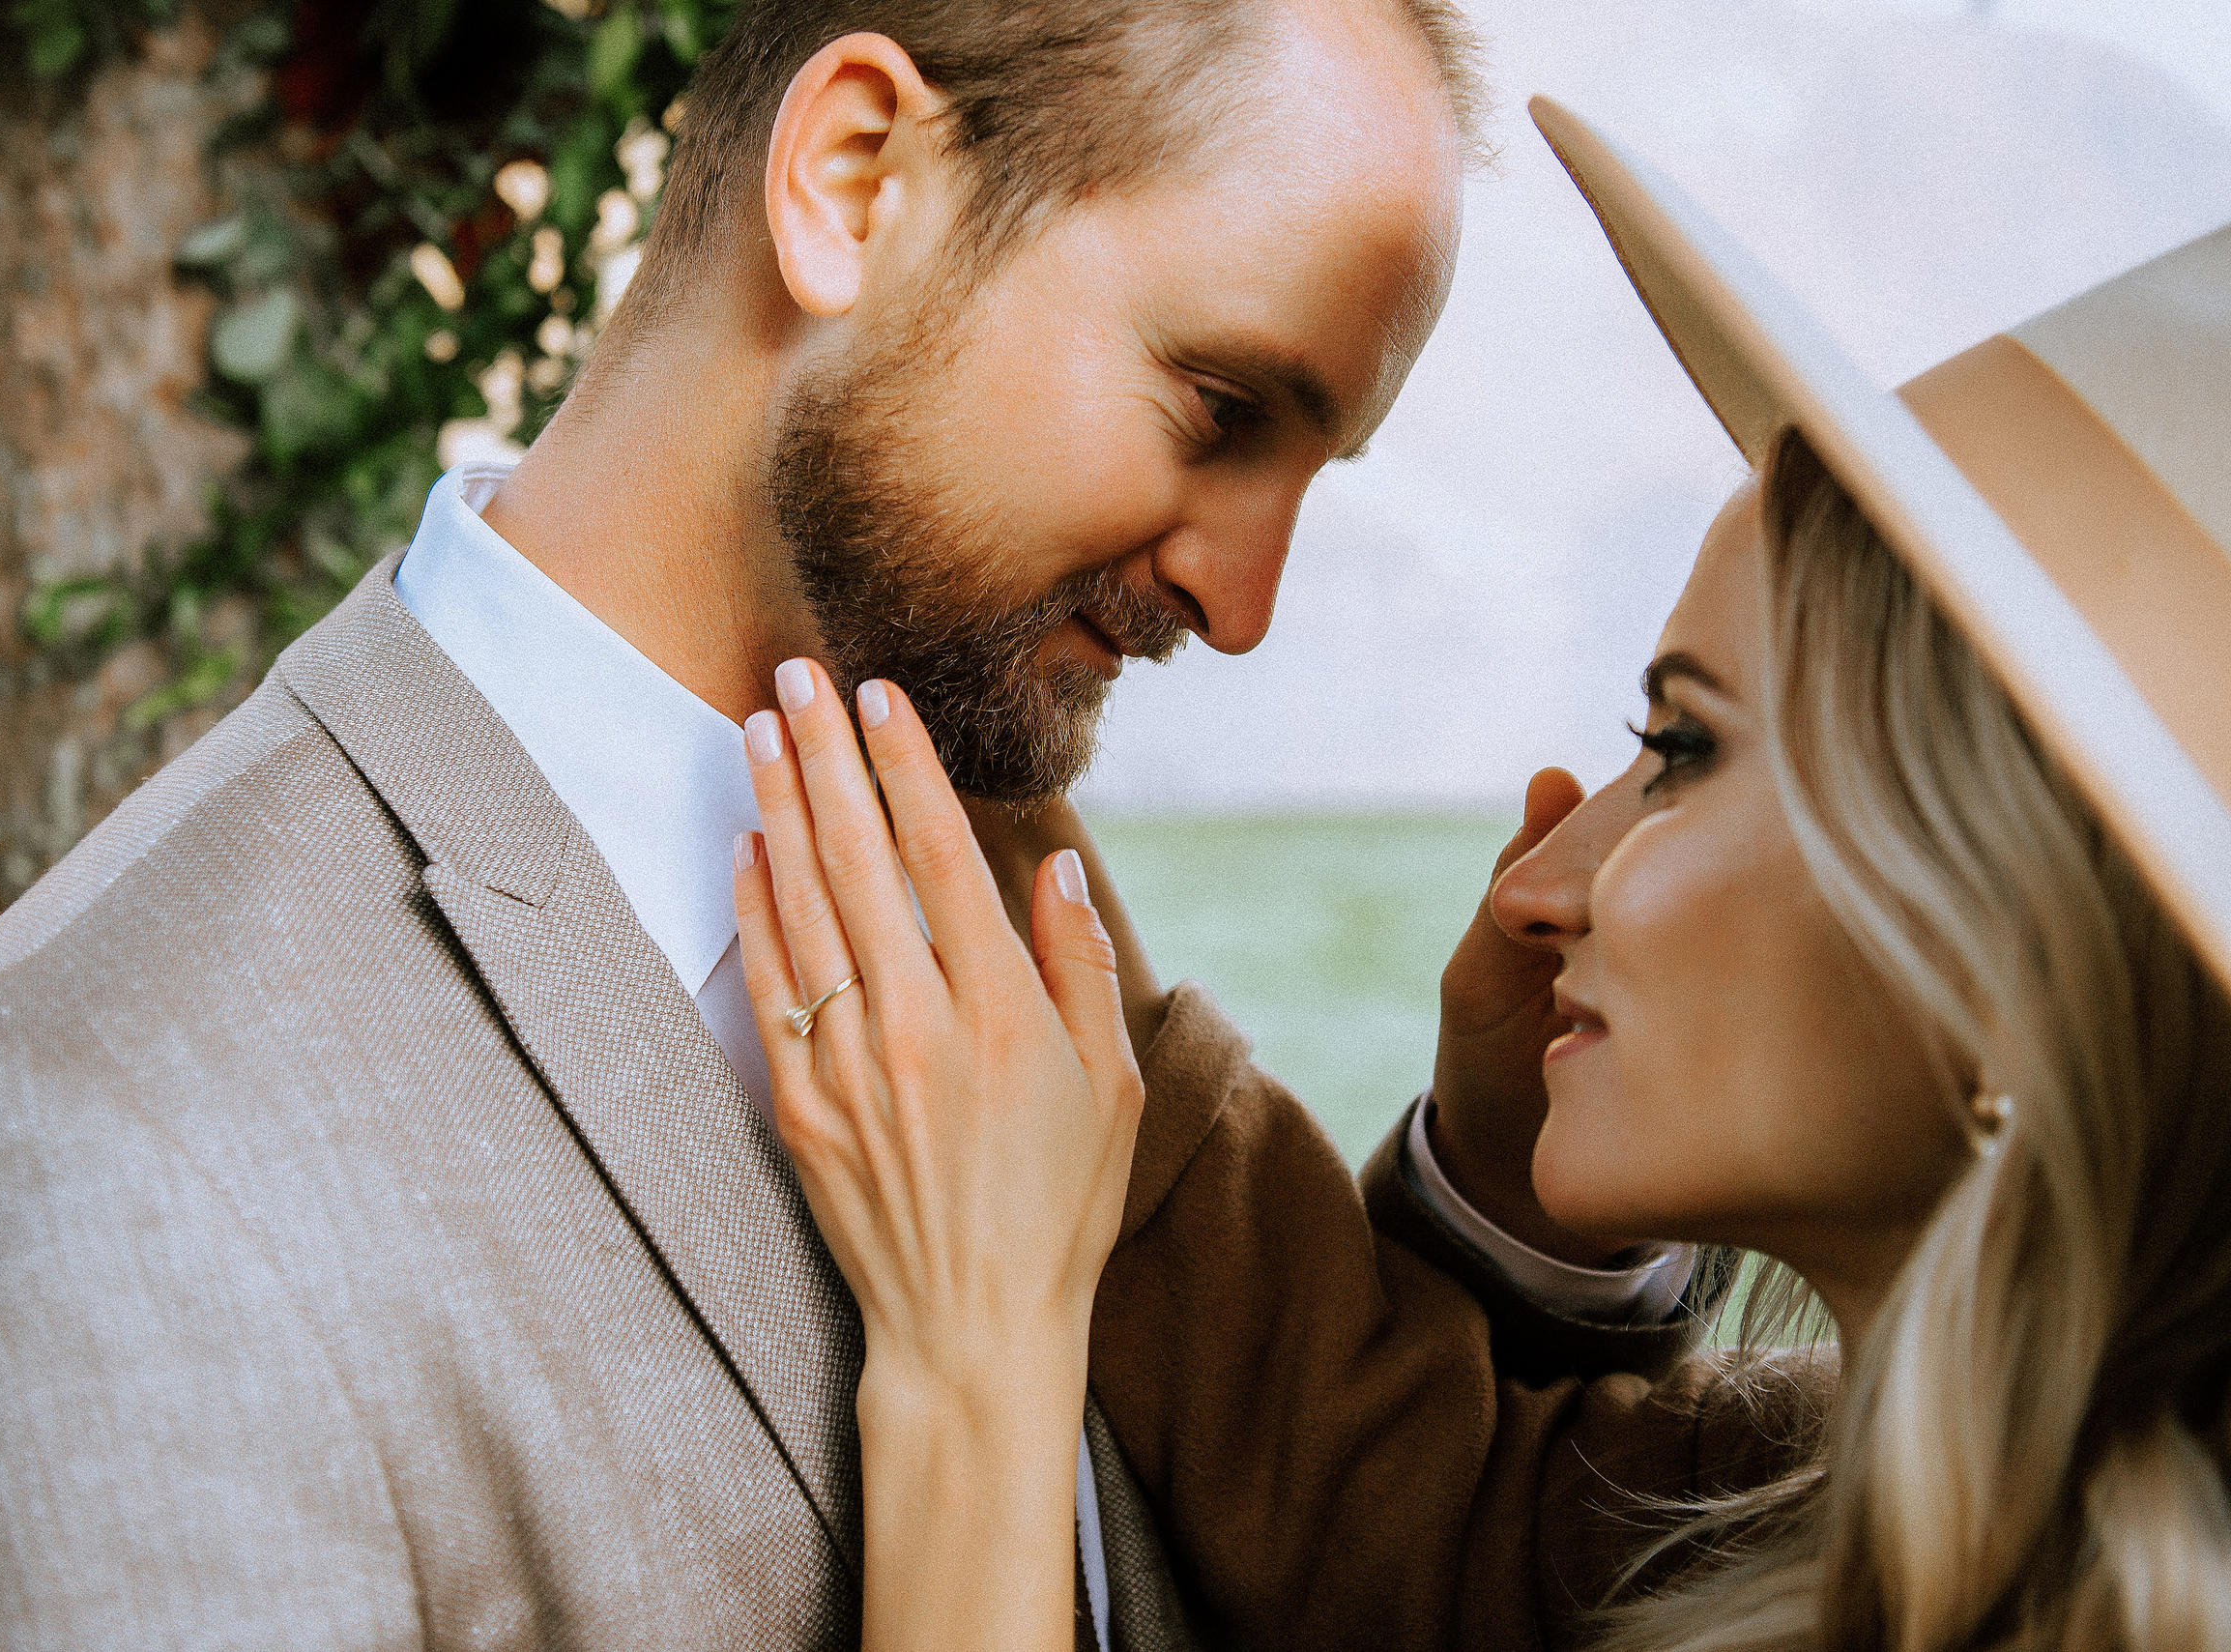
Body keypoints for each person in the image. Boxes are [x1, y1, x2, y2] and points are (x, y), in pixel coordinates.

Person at [0, 5, 1675, 1649]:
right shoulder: (61, 1211)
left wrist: (1523, 1192)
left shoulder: (993, 877)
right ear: (851, 179)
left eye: (1314, 469)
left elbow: (1410, 1544)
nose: (1245, 603)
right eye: (1218, 408)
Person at [729, 98, 2231, 1651]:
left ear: (2006, 946)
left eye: (1686, 748)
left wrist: (974, 1369)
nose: (1530, 891)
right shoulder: (1873, 1499)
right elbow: (1413, 1537)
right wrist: (1504, 1205)